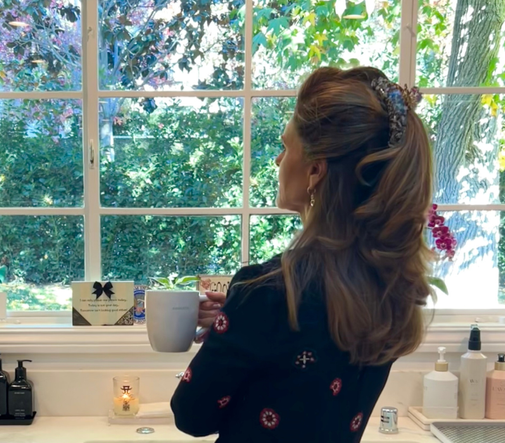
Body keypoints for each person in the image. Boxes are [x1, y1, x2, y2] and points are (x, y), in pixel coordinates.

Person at [171, 67, 433, 442]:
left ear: (314, 170)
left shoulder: (266, 293)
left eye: (286, 146)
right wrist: (241, 325)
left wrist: (240, 324)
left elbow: (191, 415)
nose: (279, 160)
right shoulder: (390, 290)